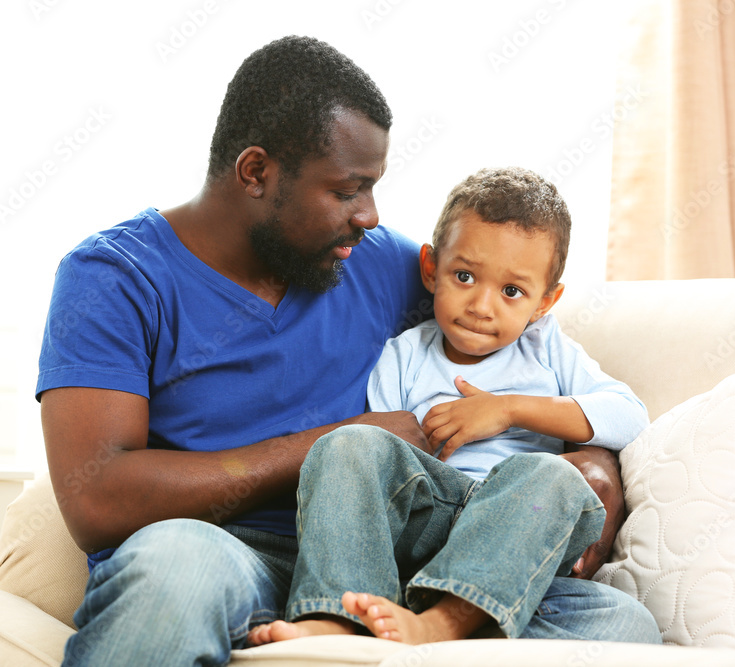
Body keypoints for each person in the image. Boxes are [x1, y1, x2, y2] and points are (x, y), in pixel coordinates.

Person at [37, 35, 653, 666]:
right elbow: (98, 499)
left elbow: (505, 328)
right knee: (174, 571)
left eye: (374, 188)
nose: (370, 214)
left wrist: (595, 462)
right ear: (257, 172)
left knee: (621, 625)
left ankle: (405, 629)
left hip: (399, 563)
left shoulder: (373, 261)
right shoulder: (115, 277)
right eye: (347, 190)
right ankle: (338, 628)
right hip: (228, 553)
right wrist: (333, 439)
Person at [248, 167, 659, 646]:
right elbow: (379, 470)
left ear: (545, 301)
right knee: (348, 442)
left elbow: (629, 416)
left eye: (512, 291)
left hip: (518, 539)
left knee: (625, 616)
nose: (482, 306)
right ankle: (343, 616)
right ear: (431, 268)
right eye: (464, 276)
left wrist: (508, 410)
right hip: (430, 527)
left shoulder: (547, 349)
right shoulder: (403, 355)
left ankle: (442, 623)